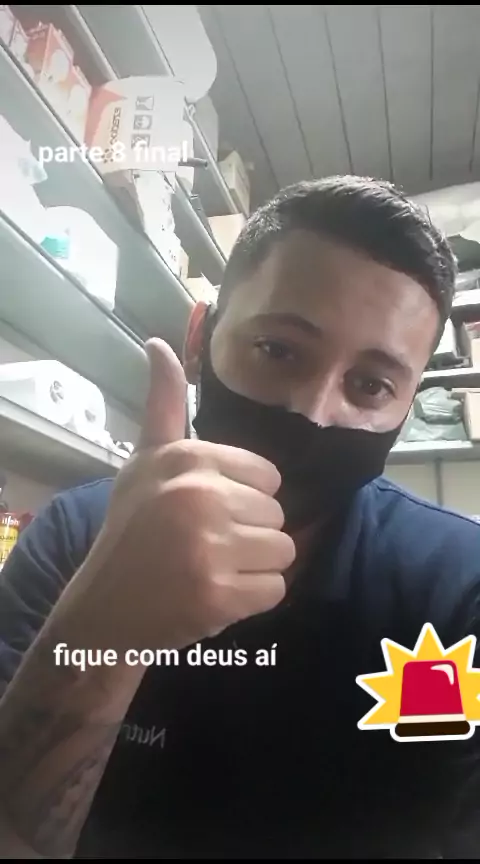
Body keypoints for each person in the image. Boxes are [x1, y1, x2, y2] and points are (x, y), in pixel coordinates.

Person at [1, 175, 480, 860]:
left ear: (406, 408)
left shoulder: (456, 590)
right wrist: (107, 633)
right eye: (279, 350)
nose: (314, 411)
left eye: (371, 385)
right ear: (200, 338)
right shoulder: (75, 538)